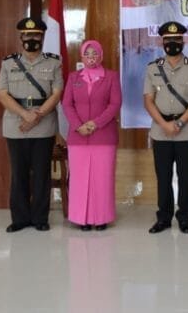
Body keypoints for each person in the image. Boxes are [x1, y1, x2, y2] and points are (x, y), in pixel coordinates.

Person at [0, 17, 64, 232]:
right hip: (15, 125)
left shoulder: (54, 63)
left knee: (42, 174)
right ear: (21, 38)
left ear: (42, 38)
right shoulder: (8, 63)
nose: (31, 39)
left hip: (43, 126)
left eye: (36, 35)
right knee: (19, 174)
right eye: (27, 35)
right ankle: (20, 218)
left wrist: (36, 116)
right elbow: (2, 94)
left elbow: (57, 93)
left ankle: (39, 218)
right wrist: (25, 115)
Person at [143, 21, 188, 234]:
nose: (172, 43)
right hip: (160, 131)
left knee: (186, 177)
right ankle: (164, 218)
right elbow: (148, 100)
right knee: (163, 177)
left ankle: (184, 218)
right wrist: (164, 124)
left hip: (186, 130)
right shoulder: (153, 68)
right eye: (168, 40)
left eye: (177, 39)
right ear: (162, 42)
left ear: (183, 41)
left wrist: (179, 123)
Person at [62, 39, 122, 231]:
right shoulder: (74, 77)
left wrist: (95, 123)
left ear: (101, 56)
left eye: (95, 53)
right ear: (81, 56)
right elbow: (67, 104)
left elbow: (115, 104)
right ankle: (81, 219)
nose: (91, 57)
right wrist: (78, 125)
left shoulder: (111, 76)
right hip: (78, 137)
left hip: (104, 136)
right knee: (79, 179)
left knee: (102, 179)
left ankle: (101, 218)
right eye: (87, 54)